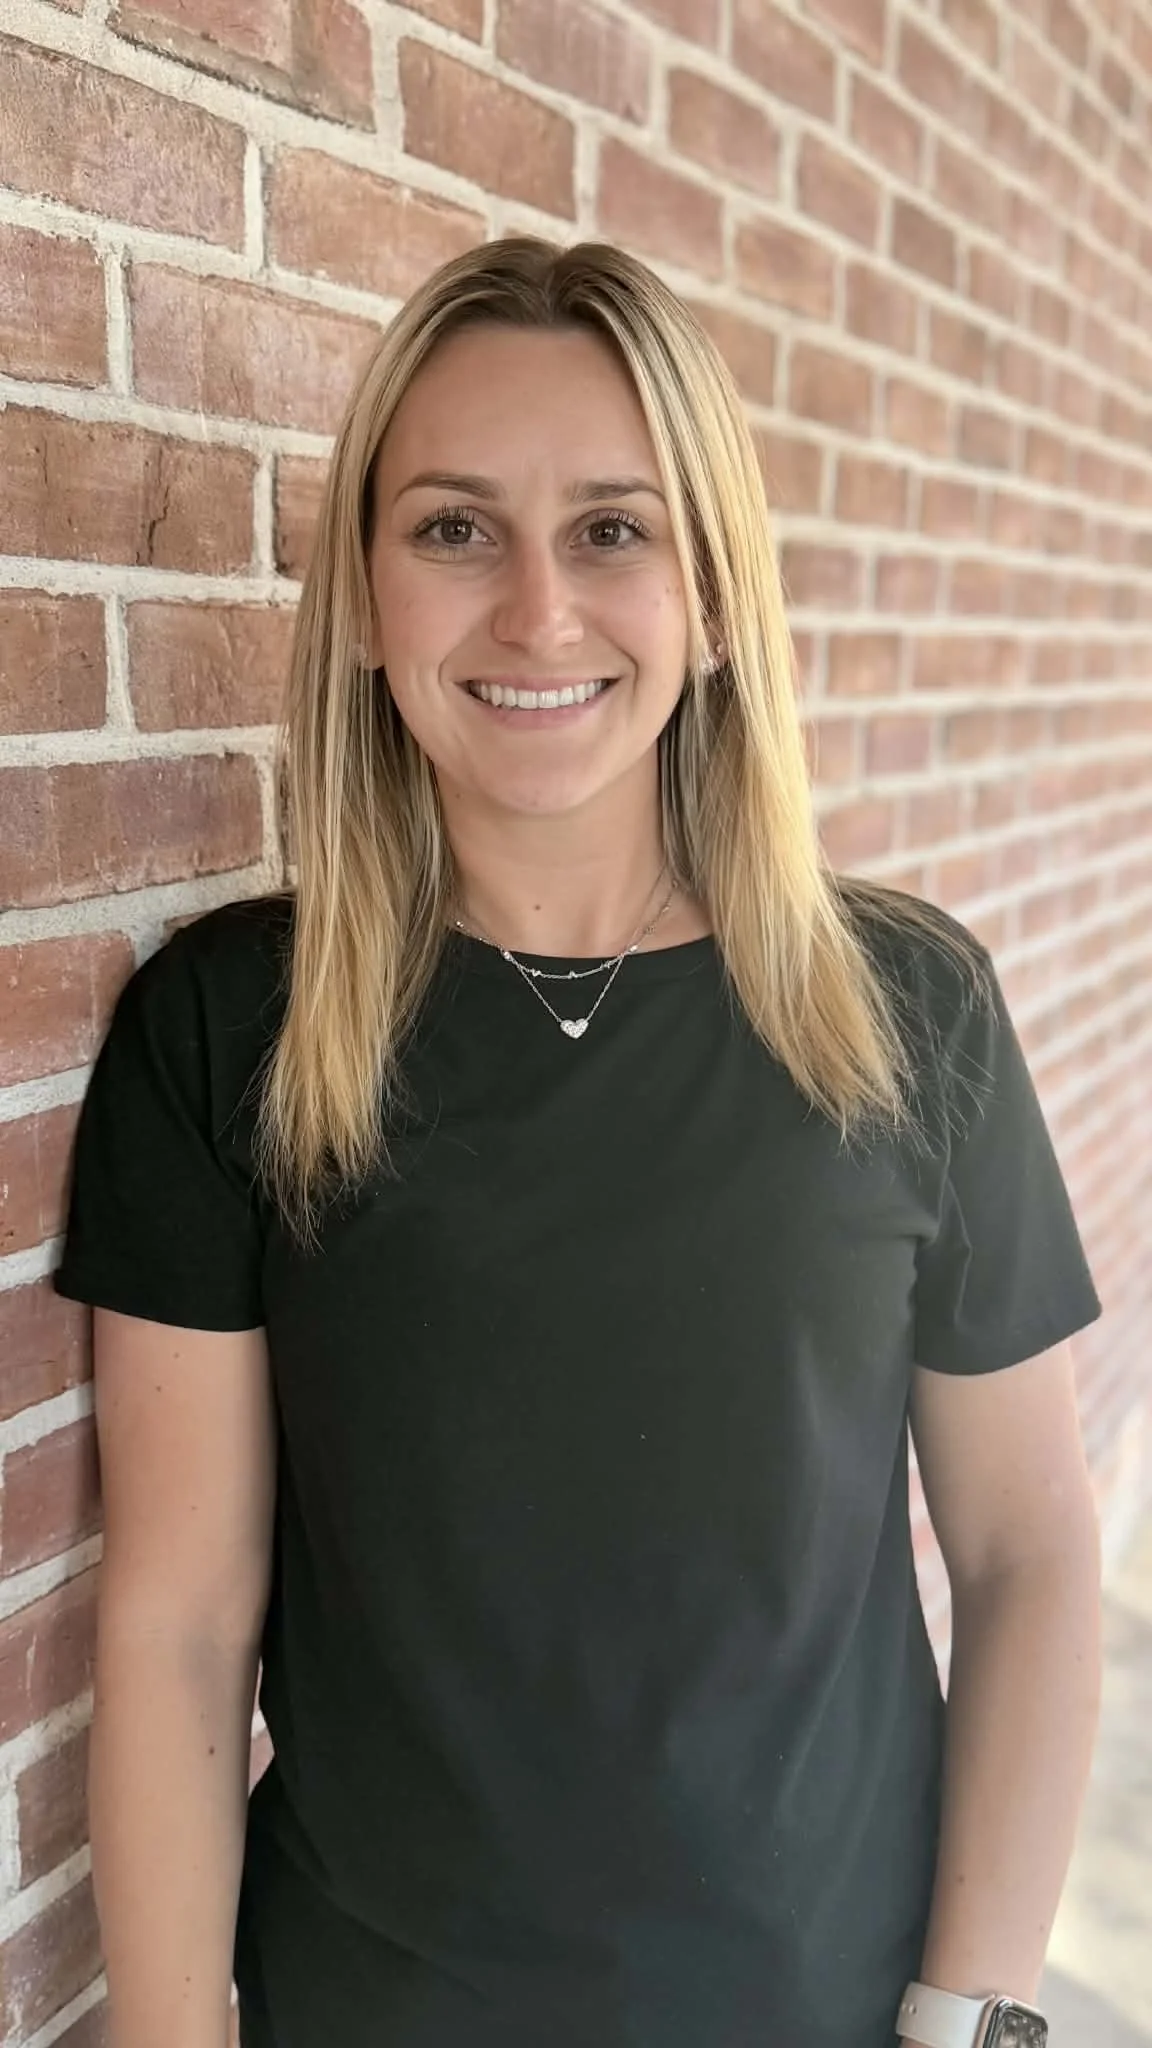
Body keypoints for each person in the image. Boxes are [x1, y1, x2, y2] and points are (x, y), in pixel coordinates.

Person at [54, 236, 1104, 2048]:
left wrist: (972, 2014)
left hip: (834, 2006)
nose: (536, 611)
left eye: (613, 529)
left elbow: (1027, 1552)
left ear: (712, 596)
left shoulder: (905, 1011)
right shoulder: (234, 1036)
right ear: (369, 593)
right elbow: (176, 1624)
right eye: (454, 528)